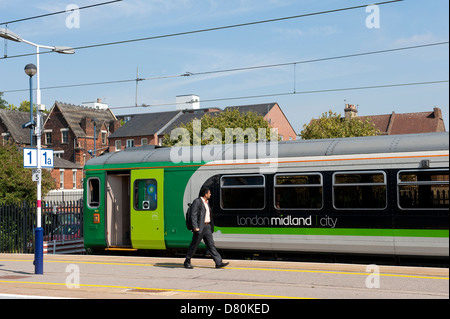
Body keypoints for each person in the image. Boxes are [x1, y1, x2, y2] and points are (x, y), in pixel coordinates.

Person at [184, 187, 229, 269]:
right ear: (205, 194)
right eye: (209, 193)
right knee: (194, 245)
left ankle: (218, 262)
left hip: (207, 227)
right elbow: (193, 215)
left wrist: (210, 226)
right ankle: (187, 261)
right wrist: (195, 227)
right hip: (200, 227)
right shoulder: (197, 202)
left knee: (211, 245)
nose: (210, 194)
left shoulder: (206, 202)